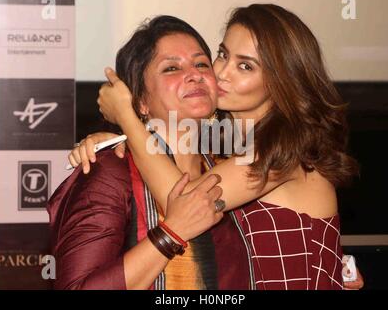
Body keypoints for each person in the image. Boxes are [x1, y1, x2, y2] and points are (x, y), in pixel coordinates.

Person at [75, 4, 362, 290]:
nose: (222, 72)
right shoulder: (223, 150)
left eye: (245, 66)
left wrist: (126, 118)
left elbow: (187, 202)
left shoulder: (288, 147)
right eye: (223, 55)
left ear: (281, 81)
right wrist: (114, 140)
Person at [47, 15, 253, 290]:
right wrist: (171, 233)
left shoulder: (228, 169)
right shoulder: (111, 170)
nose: (194, 74)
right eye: (171, 68)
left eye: (202, 63)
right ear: (141, 101)